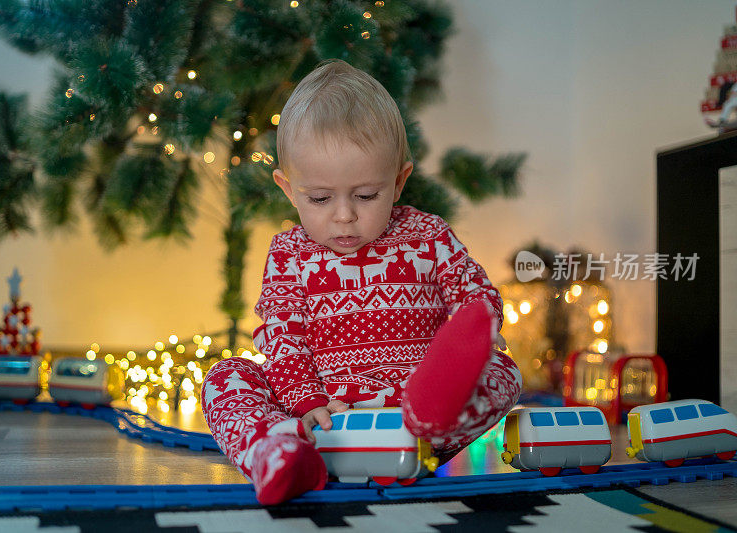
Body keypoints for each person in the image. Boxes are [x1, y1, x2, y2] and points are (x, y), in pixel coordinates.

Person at [201, 59, 522, 505]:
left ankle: (429, 420)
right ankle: (278, 454)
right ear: (288, 188)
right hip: (324, 418)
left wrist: (480, 328)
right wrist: (305, 401)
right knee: (226, 376)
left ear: (399, 180)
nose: (344, 214)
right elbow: (282, 335)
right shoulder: (289, 253)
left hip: (415, 411)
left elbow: (473, 292)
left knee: (505, 371)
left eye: (366, 195)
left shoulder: (428, 235)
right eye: (319, 198)